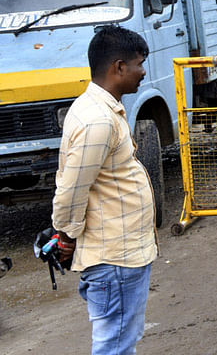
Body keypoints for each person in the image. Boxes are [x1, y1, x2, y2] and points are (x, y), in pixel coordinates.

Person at [52, 25, 157, 355]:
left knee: (120, 339)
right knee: (115, 345)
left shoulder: (102, 109)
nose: (143, 72)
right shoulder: (97, 119)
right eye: (140, 63)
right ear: (119, 67)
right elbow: (71, 189)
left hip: (121, 254)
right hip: (115, 258)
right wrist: (66, 237)